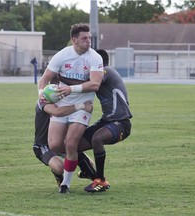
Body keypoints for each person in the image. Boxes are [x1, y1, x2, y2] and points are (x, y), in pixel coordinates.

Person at [37, 23, 104, 194]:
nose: (88, 41)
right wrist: (41, 94)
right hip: (62, 104)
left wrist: (70, 89)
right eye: (84, 38)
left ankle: (65, 184)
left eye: (89, 38)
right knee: (55, 145)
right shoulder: (62, 55)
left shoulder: (95, 57)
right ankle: (79, 163)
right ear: (74, 40)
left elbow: (95, 84)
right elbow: (44, 79)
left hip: (83, 107)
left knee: (71, 143)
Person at [60, 49, 132, 193]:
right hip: (107, 121)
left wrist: (60, 76)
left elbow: (86, 83)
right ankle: (89, 172)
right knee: (72, 145)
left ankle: (101, 180)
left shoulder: (106, 71)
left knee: (97, 138)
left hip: (121, 123)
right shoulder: (100, 73)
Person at [32, 95, 93, 187]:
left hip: (61, 143)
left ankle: (85, 174)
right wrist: (82, 106)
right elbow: (57, 112)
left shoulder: (66, 103)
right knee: (59, 167)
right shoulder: (44, 101)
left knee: (90, 163)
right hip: (43, 146)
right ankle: (58, 175)